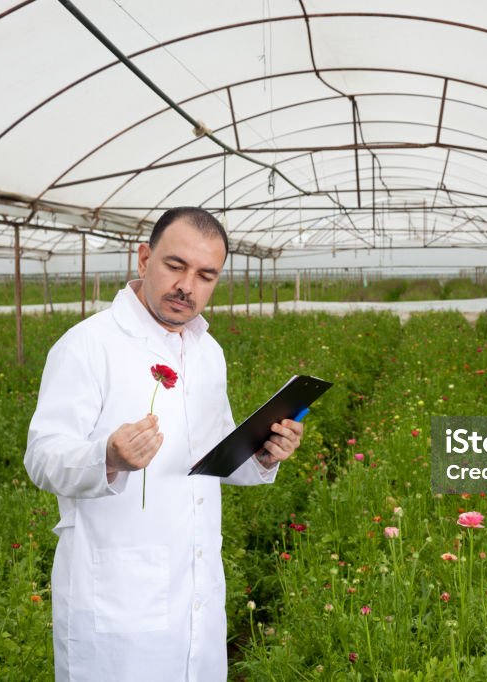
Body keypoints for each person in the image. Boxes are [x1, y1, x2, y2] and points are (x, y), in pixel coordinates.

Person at [24, 207, 304, 681]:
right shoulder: (89, 346)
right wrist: (106, 456)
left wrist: (261, 452)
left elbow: (214, 452)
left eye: (205, 275)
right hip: (117, 601)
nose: (187, 287)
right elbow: (42, 458)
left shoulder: (206, 352)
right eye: (175, 266)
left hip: (194, 591)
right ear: (143, 258)